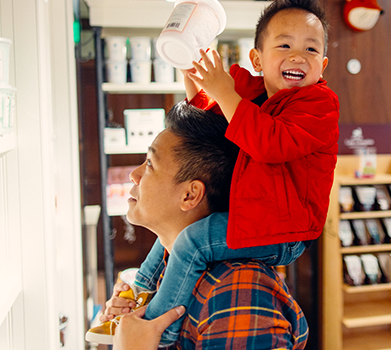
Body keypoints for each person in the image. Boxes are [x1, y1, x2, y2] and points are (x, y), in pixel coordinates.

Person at [86, 0, 339, 347]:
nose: (298, 56)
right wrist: (194, 69)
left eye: (311, 49)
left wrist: (222, 91)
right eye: (284, 45)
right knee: (172, 239)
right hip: (254, 215)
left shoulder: (320, 106)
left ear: (323, 65)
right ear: (257, 59)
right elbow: (208, 116)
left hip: (287, 230)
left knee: (190, 241)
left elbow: (269, 142)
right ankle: (137, 295)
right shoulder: (249, 90)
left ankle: (160, 325)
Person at [96, 102, 309, 349]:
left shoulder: (236, 290)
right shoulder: (169, 266)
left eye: (150, 164)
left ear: (190, 195)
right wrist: (131, 323)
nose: (134, 174)